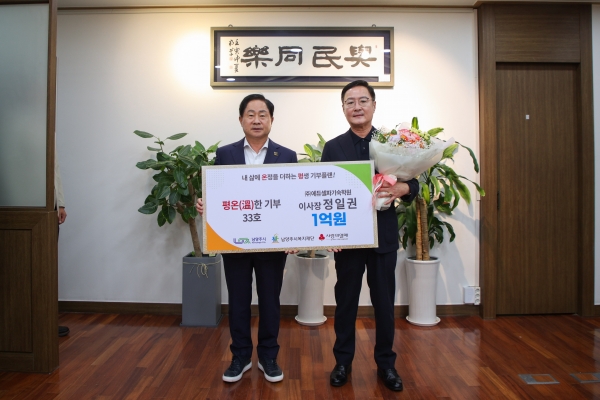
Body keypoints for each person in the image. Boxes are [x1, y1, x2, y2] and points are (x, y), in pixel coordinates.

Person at [321, 80, 418, 392]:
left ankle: (386, 364)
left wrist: (404, 187)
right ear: (343, 109)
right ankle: (342, 362)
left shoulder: (392, 144)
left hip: (383, 238)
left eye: (363, 100)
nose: (357, 107)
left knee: (384, 305)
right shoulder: (333, 147)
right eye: (350, 102)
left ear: (374, 105)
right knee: (345, 302)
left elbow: (414, 181)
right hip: (348, 240)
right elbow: (323, 191)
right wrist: (329, 233)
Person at [195, 94, 297, 383]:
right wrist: (206, 204)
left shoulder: (287, 156)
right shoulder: (225, 154)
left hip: (272, 242)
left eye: (262, 114)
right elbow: (218, 193)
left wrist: (294, 234)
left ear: (271, 120)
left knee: (270, 301)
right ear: (241, 120)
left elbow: (293, 199)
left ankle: (268, 356)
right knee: (238, 301)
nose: (256, 120)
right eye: (250, 114)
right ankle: (240, 356)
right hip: (235, 242)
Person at [55, 153, 69, 337]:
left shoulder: (49, 138)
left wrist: (61, 204)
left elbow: (54, 171)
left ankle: (46, 320)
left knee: (47, 269)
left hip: (50, 207)